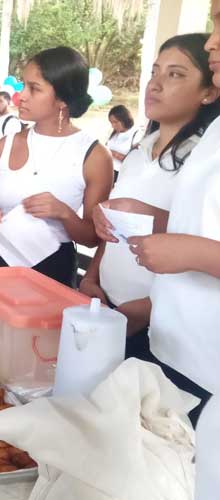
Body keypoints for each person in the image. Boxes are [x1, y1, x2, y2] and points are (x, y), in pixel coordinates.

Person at [82, 35, 220, 402]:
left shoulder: (198, 156)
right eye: (154, 71)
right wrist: (93, 277)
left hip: (155, 324)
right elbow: (121, 231)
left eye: (174, 75)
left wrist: (146, 309)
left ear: (207, 92)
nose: (154, 84)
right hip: (119, 311)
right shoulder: (139, 151)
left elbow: (193, 242)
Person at [127, 10, 220, 498]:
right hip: (172, 339)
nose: (213, 43)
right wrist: (150, 219)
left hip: (207, 359)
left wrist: (194, 252)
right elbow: (197, 227)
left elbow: (199, 244)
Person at [0, 47, 113, 287]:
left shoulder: (94, 155)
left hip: (51, 271)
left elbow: (92, 237)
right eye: (23, 85)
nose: (21, 96)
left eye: (34, 89)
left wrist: (64, 213)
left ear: (63, 100)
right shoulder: (6, 145)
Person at [105, 104, 141, 182]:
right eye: (111, 123)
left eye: (115, 122)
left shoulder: (137, 134)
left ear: (124, 119)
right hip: (106, 169)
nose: (112, 126)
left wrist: (110, 152)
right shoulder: (114, 132)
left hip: (121, 174)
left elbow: (133, 160)